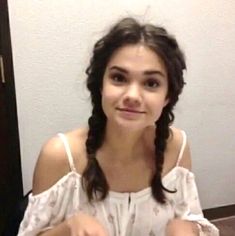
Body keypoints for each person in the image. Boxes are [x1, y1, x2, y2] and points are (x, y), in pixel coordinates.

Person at [18, 17, 219, 236]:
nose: (132, 96)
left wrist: (188, 228)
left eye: (151, 83)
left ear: (168, 96)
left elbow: (190, 217)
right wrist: (66, 229)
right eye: (119, 78)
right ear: (100, 86)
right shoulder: (59, 156)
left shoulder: (177, 147)